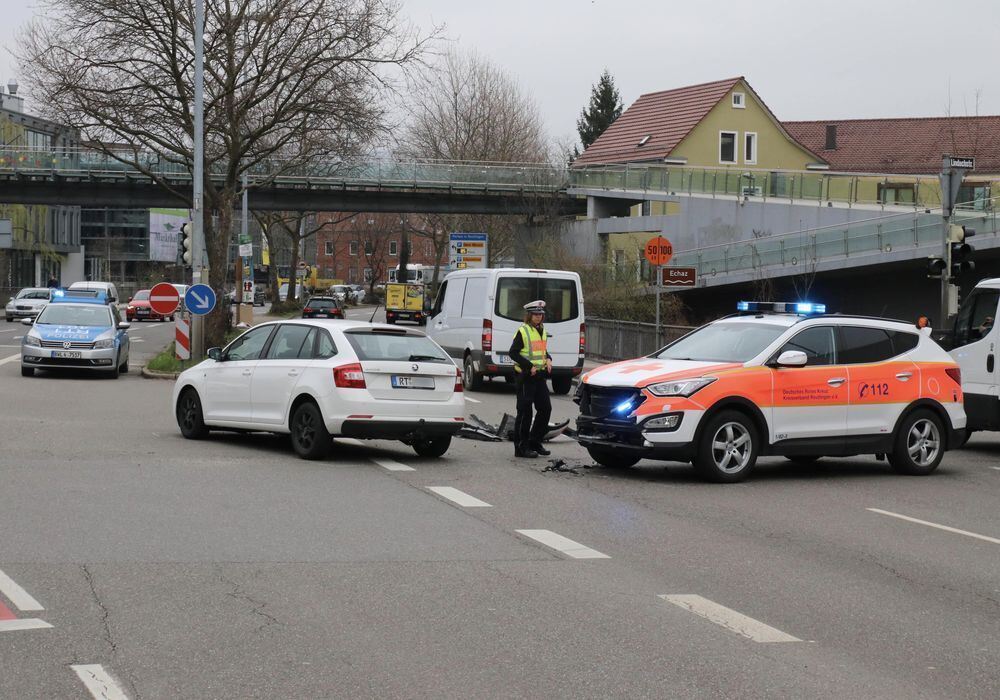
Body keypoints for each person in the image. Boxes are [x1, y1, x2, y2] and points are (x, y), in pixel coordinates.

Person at [508, 300, 553, 458]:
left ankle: (535, 442)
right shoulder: (523, 331)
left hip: (539, 376)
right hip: (525, 376)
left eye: (540, 314)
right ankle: (521, 447)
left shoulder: (542, 330)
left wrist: (548, 359)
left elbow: (542, 350)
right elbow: (513, 353)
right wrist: (529, 366)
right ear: (529, 315)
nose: (538, 317)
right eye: (535, 314)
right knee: (525, 412)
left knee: (545, 408)